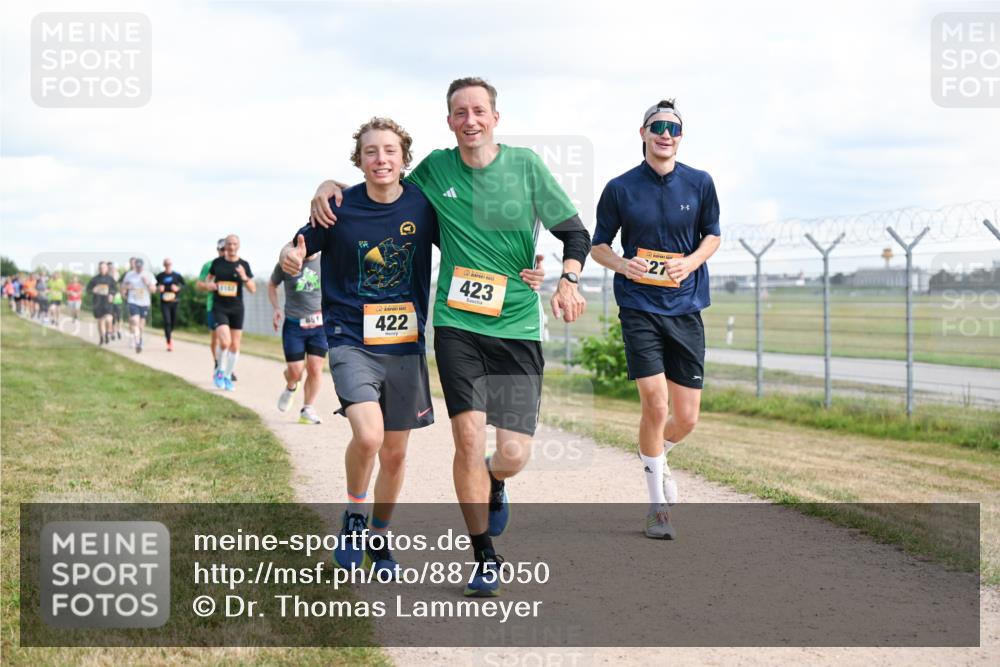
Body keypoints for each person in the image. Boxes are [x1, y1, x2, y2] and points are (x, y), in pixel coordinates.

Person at [310, 78, 590, 596]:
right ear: (449, 121)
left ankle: (496, 479)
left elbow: (575, 233)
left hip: (517, 325)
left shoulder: (525, 165)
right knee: (465, 438)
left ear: (495, 117)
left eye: (479, 110)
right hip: (458, 325)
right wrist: (329, 185)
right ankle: (485, 556)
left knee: (512, 453)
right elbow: (382, 186)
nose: (470, 120)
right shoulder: (436, 169)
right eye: (460, 112)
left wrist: (567, 276)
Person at [590, 99, 721, 539]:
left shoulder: (700, 183)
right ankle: (657, 507)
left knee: (685, 419)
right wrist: (625, 265)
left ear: (681, 137)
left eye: (674, 128)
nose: (666, 133)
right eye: (658, 126)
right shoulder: (620, 187)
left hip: (686, 309)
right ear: (643, 133)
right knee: (655, 403)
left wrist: (692, 261)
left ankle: (657, 458)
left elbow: (713, 236)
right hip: (640, 308)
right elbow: (598, 246)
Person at [268, 250, 326, 425]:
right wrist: (277, 308)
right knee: (295, 371)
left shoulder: (327, 260)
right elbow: (272, 285)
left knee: (315, 368)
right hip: (294, 326)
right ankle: (291, 385)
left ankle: (307, 409)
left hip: (320, 325)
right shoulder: (286, 262)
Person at [205, 235, 254, 391]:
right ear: (224, 246)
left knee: (234, 345)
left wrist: (244, 277)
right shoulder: (217, 263)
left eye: (234, 244)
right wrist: (210, 285)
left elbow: (252, 289)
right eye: (229, 244)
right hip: (219, 307)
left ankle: (227, 376)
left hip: (237, 308)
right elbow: (208, 279)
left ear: (238, 246)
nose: (231, 247)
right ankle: (219, 369)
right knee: (225, 342)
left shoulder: (243, 264)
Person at [196, 240, 228, 376]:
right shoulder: (209, 265)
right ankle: (217, 363)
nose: (224, 252)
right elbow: (199, 284)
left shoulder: (236, 265)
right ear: (217, 250)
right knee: (216, 338)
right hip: (214, 305)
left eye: (226, 249)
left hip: (232, 306)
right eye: (222, 249)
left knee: (228, 340)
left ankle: (225, 367)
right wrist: (207, 286)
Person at [121, 258, 157, 353]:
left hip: (145, 303)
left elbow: (153, 290)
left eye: (140, 267)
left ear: (143, 266)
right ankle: (137, 342)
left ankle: (139, 339)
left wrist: (147, 283)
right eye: (137, 267)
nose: (138, 269)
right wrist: (125, 290)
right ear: (135, 265)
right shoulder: (129, 274)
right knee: (134, 320)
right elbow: (123, 286)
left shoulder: (149, 275)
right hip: (133, 301)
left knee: (141, 326)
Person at [155, 258, 186, 351]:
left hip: (174, 302)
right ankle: (169, 342)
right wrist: (158, 289)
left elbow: (185, 286)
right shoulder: (160, 276)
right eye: (166, 264)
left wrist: (178, 288)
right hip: (164, 303)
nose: (167, 265)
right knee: (167, 322)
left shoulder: (177, 275)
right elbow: (153, 287)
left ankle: (169, 333)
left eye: (169, 264)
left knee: (172, 322)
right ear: (163, 265)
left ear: (171, 265)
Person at [86, 262, 118, 345]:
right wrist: (93, 290)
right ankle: (102, 338)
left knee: (108, 319)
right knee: (100, 322)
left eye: (104, 268)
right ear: (98, 269)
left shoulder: (110, 279)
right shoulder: (94, 279)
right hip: (98, 303)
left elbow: (115, 289)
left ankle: (107, 333)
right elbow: (88, 289)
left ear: (107, 269)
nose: (102, 269)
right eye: (100, 268)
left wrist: (111, 294)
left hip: (108, 303)